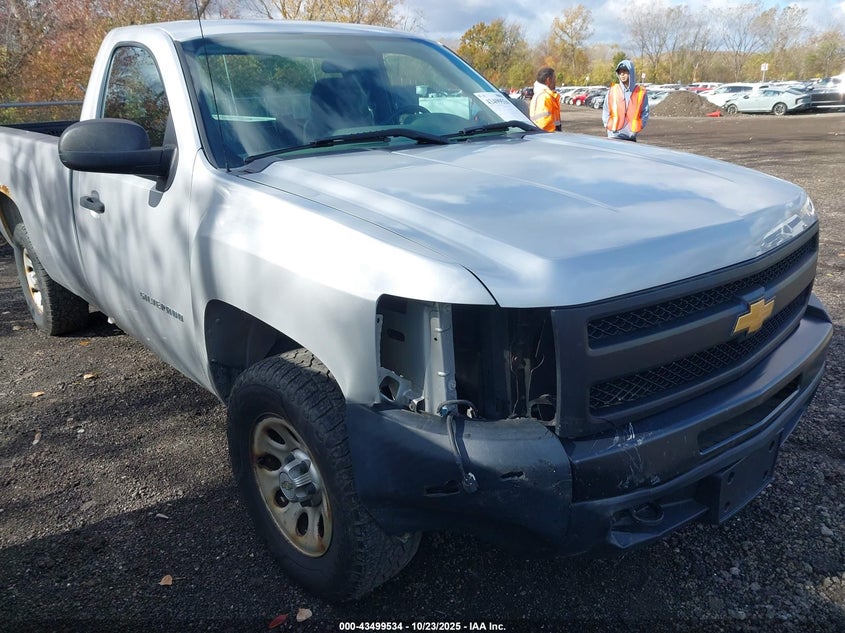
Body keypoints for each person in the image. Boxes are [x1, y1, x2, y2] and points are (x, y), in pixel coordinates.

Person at [602, 59, 649, 141]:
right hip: (614, 136)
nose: (622, 74)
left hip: (631, 136)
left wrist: (638, 126)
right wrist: (607, 124)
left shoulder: (640, 93)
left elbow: (645, 113)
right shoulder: (612, 91)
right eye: (620, 72)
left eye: (625, 71)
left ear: (631, 72)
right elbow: (606, 110)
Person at [529, 67, 561, 132]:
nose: (555, 81)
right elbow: (543, 122)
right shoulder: (545, 96)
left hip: (546, 135)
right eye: (554, 78)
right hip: (548, 136)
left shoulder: (543, 95)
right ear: (548, 80)